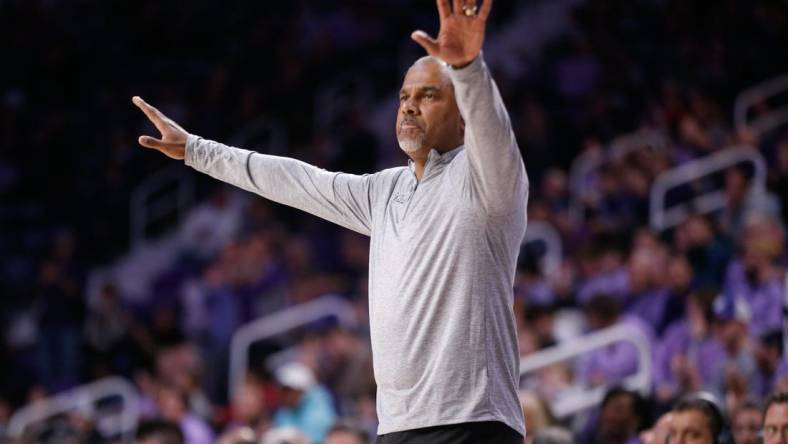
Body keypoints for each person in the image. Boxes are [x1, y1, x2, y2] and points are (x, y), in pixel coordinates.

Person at [133, 0, 528, 442]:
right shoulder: (385, 191)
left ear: (462, 117)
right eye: (404, 97)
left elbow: (494, 131)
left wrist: (468, 69)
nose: (410, 107)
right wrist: (195, 149)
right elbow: (294, 179)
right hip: (398, 426)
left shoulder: (487, 178)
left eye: (429, 95)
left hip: (474, 421)